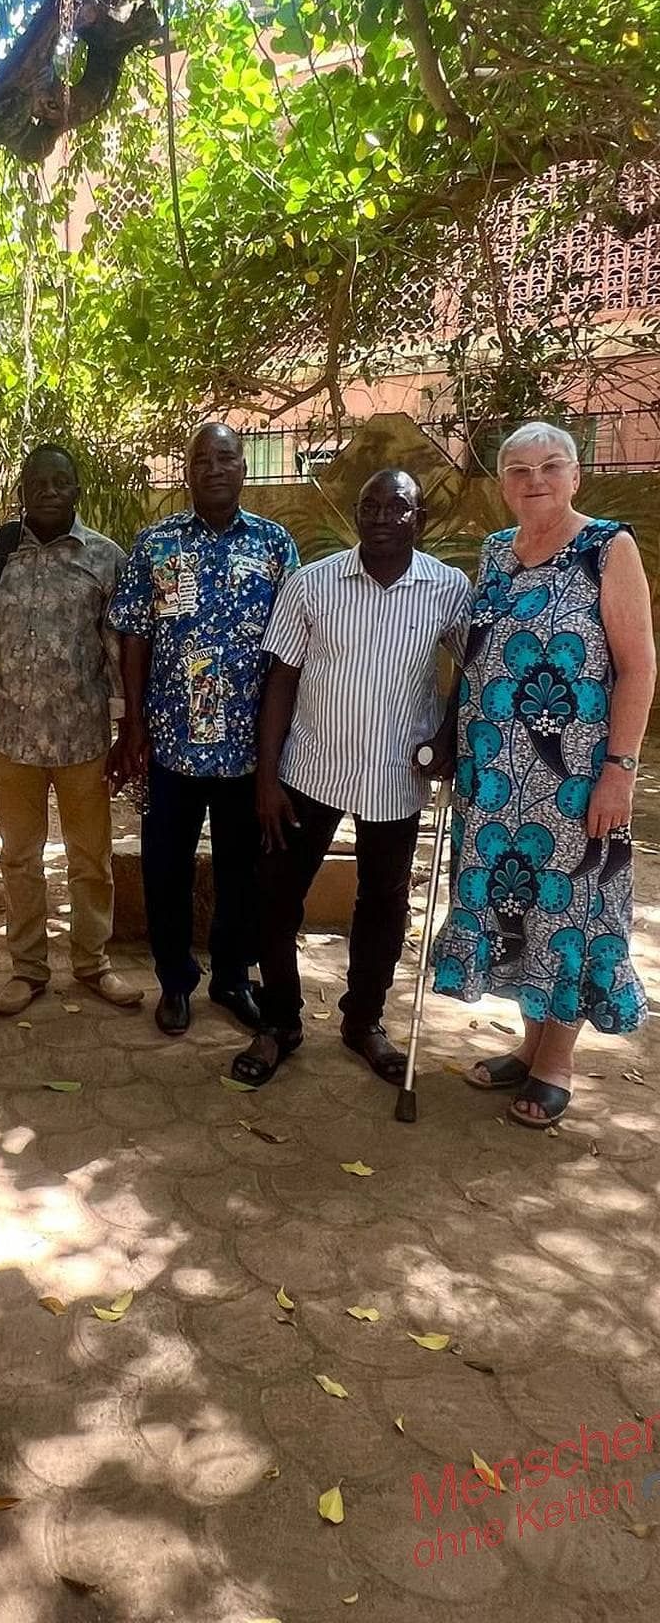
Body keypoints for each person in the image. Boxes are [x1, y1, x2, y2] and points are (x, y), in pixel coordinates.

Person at [430, 422, 655, 1129]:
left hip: (575, 783)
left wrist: (619, 772)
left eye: (551, 466)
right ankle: (528, 1048)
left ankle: (556, 1063)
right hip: (496, 781)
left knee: (570, 912)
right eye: (519, 470)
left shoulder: (607, 547)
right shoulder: (496, 553)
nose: (536, 481)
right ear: (502, 484)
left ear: (576, 475)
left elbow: (638, 667)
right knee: (518, 909)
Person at [229, 469, 473, 1088]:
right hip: (309, 771)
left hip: (395, 774)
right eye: (371, 505)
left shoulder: (448, 588)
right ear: (355, 512)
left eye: (399, 506)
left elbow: (474, 667)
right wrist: (266, 778)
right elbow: (281, 679)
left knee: (384, 903)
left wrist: (448, 736)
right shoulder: (312, 584)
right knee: (276, 898)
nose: (383, 516)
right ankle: (280, 1022)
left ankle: (363, 1021)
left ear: (419, 518)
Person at [0, 444, 142, 1016]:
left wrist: (127, 733)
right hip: (12, 739)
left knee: (91, 858)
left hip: (84, 741)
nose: (50, 491)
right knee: (19, 857)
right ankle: (27, 969)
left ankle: (93, 963)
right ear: (22, 491)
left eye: (61, 482)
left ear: (77, 490)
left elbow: (117, 654)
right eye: (38, 482)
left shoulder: (104, 558)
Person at [109, 422, 297, 1035]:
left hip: (248, 749)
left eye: (225, 458)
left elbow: (290, 650)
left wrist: (280, 748)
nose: (214, 469)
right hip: (173, 741)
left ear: (244, 466)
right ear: (187, 471)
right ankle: (174, 981)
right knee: (165, 867)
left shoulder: (274, 545)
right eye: (201, 460)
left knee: (243, 870)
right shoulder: (157, 543)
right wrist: (134, 723)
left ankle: (232, 978)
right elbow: (135, 637)